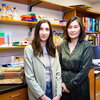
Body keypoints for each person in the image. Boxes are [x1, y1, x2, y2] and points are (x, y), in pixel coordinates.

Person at [24, 19, 62, 100]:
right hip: (38, 92)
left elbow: (58, 73)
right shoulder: (29, 49)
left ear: (50, 32)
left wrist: (58, 94)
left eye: (47, 29)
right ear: (37, 31)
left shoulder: (53, 49)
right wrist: (43, 96)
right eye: (41, 29)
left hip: (53, 89)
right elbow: (29, 77)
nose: (44, 33)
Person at [59, 16, 93, 100]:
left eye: (75, 27)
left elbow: (85, 70)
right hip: (63, 85)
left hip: (79, 85)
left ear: (80, 29)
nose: (72, 30)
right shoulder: (63, 44)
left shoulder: (86, 45)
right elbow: (58, 65)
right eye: (70, 27)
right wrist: (61, 83)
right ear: (66, 29)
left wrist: (70, 86)